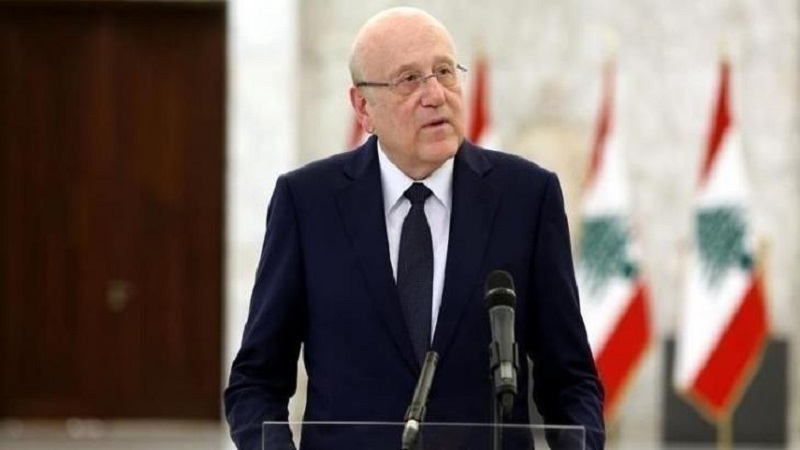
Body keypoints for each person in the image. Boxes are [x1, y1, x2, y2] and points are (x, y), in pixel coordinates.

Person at [225, 7, 604, 450]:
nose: (436, 95)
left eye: (444, 72)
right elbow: (255, 382)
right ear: (363, 107)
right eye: (409, 79)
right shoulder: (307, 202)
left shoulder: (527, 197)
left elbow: (570, 382)